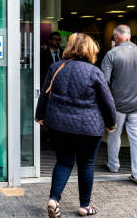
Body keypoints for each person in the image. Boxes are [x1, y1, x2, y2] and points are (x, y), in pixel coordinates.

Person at [35, 33, 116, 217]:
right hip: (88, 127)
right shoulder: (94, 72)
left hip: (59, 125)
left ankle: (54, 200)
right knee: (86, 163)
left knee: (63, 162)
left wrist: (40, 116)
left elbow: (44, 94)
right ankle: (84, 206)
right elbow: (107, 102)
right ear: (90, 50)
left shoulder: (56, 67)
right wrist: (111, 123)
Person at [101, 24, 137, 186]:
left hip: (117, 104)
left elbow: (104, 82)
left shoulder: (111, 54)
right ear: (129, 37)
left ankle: (113, 165)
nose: (113, 39)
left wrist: (105, 105)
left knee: (113, 134)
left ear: (117, 36)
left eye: (114, 36)